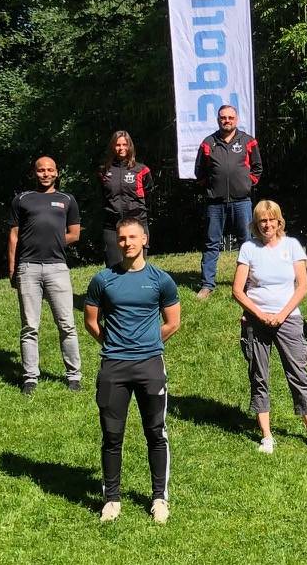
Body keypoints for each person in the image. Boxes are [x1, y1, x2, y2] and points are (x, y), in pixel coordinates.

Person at [85, 217, 182, 524]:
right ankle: (111, 499)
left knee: (155, 432)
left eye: (132, 237)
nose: (126, 243)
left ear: (144, 240)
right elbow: (91, 321)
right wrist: (114, 344)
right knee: (112, 436)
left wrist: (148, 344)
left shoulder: (161, 280)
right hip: (113, 367)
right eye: (122, 238)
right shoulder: (102, 280)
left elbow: (172, 322)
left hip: (150, 365)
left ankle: (159, 498)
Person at [231, 200, 307, 453]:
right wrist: (259, 314)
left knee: (299, 375)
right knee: (259, 375)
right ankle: (267, 436)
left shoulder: (292, 246)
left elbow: (302, 286)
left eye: (271, 219)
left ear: (279, 221)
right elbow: (238, 290)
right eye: (262, 220)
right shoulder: (248, 248)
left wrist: (280, 315)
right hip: (257, 321)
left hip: (288, 319)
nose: (267, 225)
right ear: (256, 223)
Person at [10, 156, 83, 395]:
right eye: (41, 170)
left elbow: (74, 233)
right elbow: (14, 236)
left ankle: (74, 376)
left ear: (57, 173)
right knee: (30, 326)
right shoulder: (22, 199)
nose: (45, 174)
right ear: (35, 173)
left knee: (67, 325)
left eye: (50, 170)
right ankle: (30, 377)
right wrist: (13, 268)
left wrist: (54, 241)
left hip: (57, 268)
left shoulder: (67, 200)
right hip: (28, 268)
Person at [195, 105, 263, 299]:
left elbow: (257, 168)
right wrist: (210, 187)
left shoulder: (248, 141)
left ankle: (250, 283)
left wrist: (247, 185)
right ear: (218, 120)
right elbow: (199, 171)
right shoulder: (208, 142)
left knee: (247, 243)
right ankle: (207, 285)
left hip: (242, 201)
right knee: (211, 243)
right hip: (215, 203)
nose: (227, 120)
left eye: (230, 117)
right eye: (223, 117)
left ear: (236, 119)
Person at [97, 131, 157, 266]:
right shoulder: (103, 171)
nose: (121, 148)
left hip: (137, 223)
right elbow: (102, 196)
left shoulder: (142, 170)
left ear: (130, 146)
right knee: (113, 271)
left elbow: (148, 193)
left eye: (125, 144)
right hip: (113, 226)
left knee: (136, 268)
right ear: (112, 147)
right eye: (118, 145)